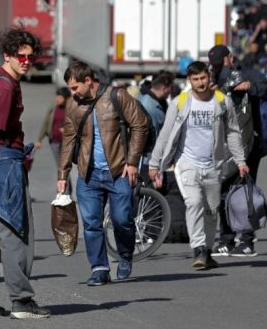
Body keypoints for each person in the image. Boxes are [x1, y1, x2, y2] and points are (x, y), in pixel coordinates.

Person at [0, 28, 50, 319]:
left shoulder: (1, 81)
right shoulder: (4, 88)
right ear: (7, 55)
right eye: (21, 56)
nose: (27, 61)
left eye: (31, 57)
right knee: (16, 234)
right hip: (3, 165)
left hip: (0, 164)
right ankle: (21, 301)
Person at [58, 61, 149, 286]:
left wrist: (133, 161)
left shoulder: (117, 96)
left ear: (88, 81)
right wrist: (62, 175)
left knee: (122, 220)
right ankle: (99, 268)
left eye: (74, 87)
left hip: (119, 171)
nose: (72, 93)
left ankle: (125, 255)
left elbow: (140, 124)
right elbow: (68, 139)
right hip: (88, 174)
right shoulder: (73, 105)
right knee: (91, 223)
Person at [149, 61, 248, 269]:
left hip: (213, 164)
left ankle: (208, 250)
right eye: (196, 79)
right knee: (194, 202)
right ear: (189, 80)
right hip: (186, 163)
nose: (200, 83)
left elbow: (232, 132)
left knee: (212, 211)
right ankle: (198, 249)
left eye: (203, 78)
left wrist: (240, 160)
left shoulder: (222, 101)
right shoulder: (180, 102)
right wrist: (155, 163)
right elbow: (165, 135)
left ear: (209, 77)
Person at [207, 45, 267, 257]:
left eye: (221, 63)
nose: (219, 68)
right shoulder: (212, 78)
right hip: (224, 145)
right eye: (216, 65)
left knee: (245, 191)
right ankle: (227, 240)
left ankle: (247, 241)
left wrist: (251, 87)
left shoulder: (247, 73)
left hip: (250, 143)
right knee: (224, 192)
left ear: (230, 57)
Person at [36, 86, 72, 193]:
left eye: (60, 97)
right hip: (54, 142)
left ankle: (64, 190)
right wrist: (39, 139)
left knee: (63, 166)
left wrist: (66, 130)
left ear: (66, 98)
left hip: (67, 143)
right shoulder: (53, 107)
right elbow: (46, 122)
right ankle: (64, 189)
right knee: (60, 165)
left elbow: (76, 124)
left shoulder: (71, 108)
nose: (57, 99)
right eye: (57, 97)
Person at [138, 71, 176, 173]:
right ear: (164, 88)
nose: (171, 92)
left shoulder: (149, 99)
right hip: (148, 162)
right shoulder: (150, 107)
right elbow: (155, 138)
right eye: (171, 88)